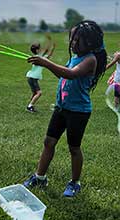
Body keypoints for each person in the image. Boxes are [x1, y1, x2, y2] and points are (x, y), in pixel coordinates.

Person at [23, 20, 107, 197]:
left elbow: (71, 74)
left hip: (78, 111)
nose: (73, 43)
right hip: (61, 108)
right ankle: (40, 177)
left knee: (74, 148)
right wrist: (48, 64)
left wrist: (46, 63)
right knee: (49, 142)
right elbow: (63, 72)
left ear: (90, 42)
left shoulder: (90, 60)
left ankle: (75, 182)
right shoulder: (75, 57)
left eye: (78, 40)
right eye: (72, 39)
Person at [26, 41, 55, 113]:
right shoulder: (38, 58)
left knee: (34, 93)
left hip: (30, 77)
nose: (41, 49)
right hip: (33, 78)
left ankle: (31, 105)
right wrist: (50, 45)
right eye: (39, 48)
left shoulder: (38, 57)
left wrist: (52, 48)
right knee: (39, 93)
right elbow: (46, 52)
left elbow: (48, 55)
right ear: (37, 50)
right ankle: (30, 106)